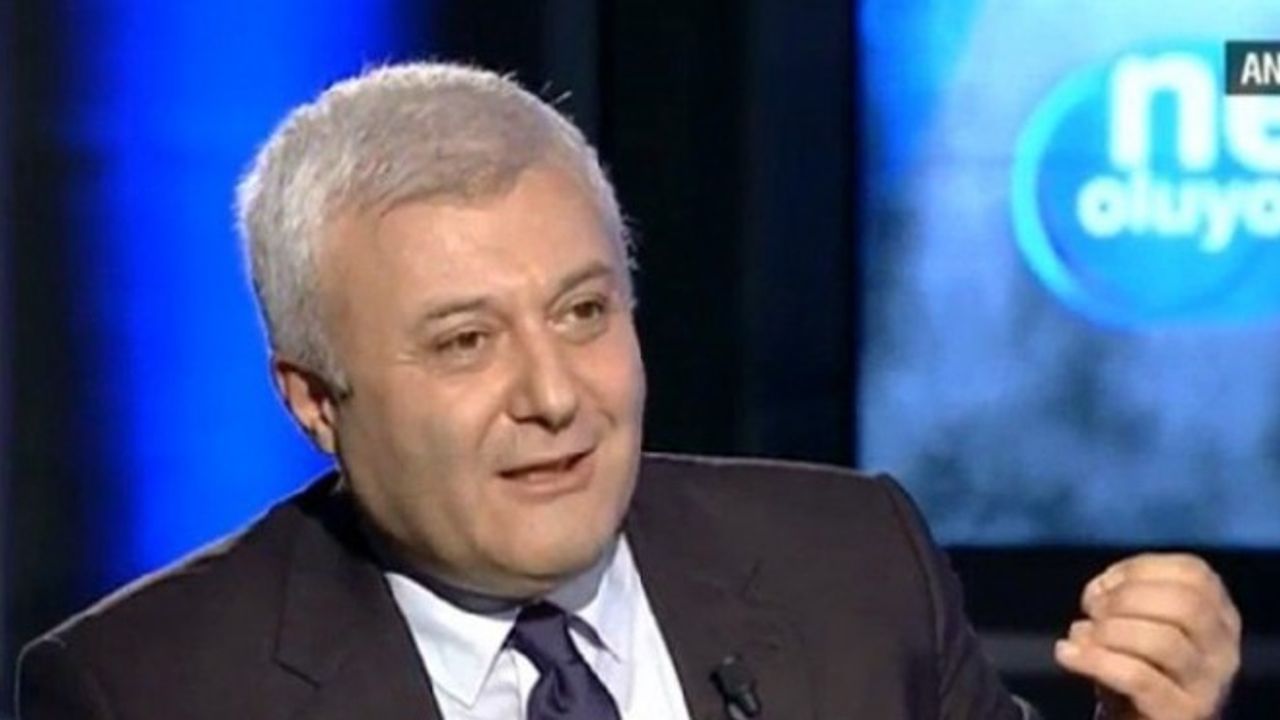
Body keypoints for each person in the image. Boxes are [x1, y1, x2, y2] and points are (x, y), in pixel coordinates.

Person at [16, 61, 1240, 720]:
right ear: (313, 401)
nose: (554, 395)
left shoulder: (853, 566)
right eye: (464, 342)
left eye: (583, 313)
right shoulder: (147, 690)